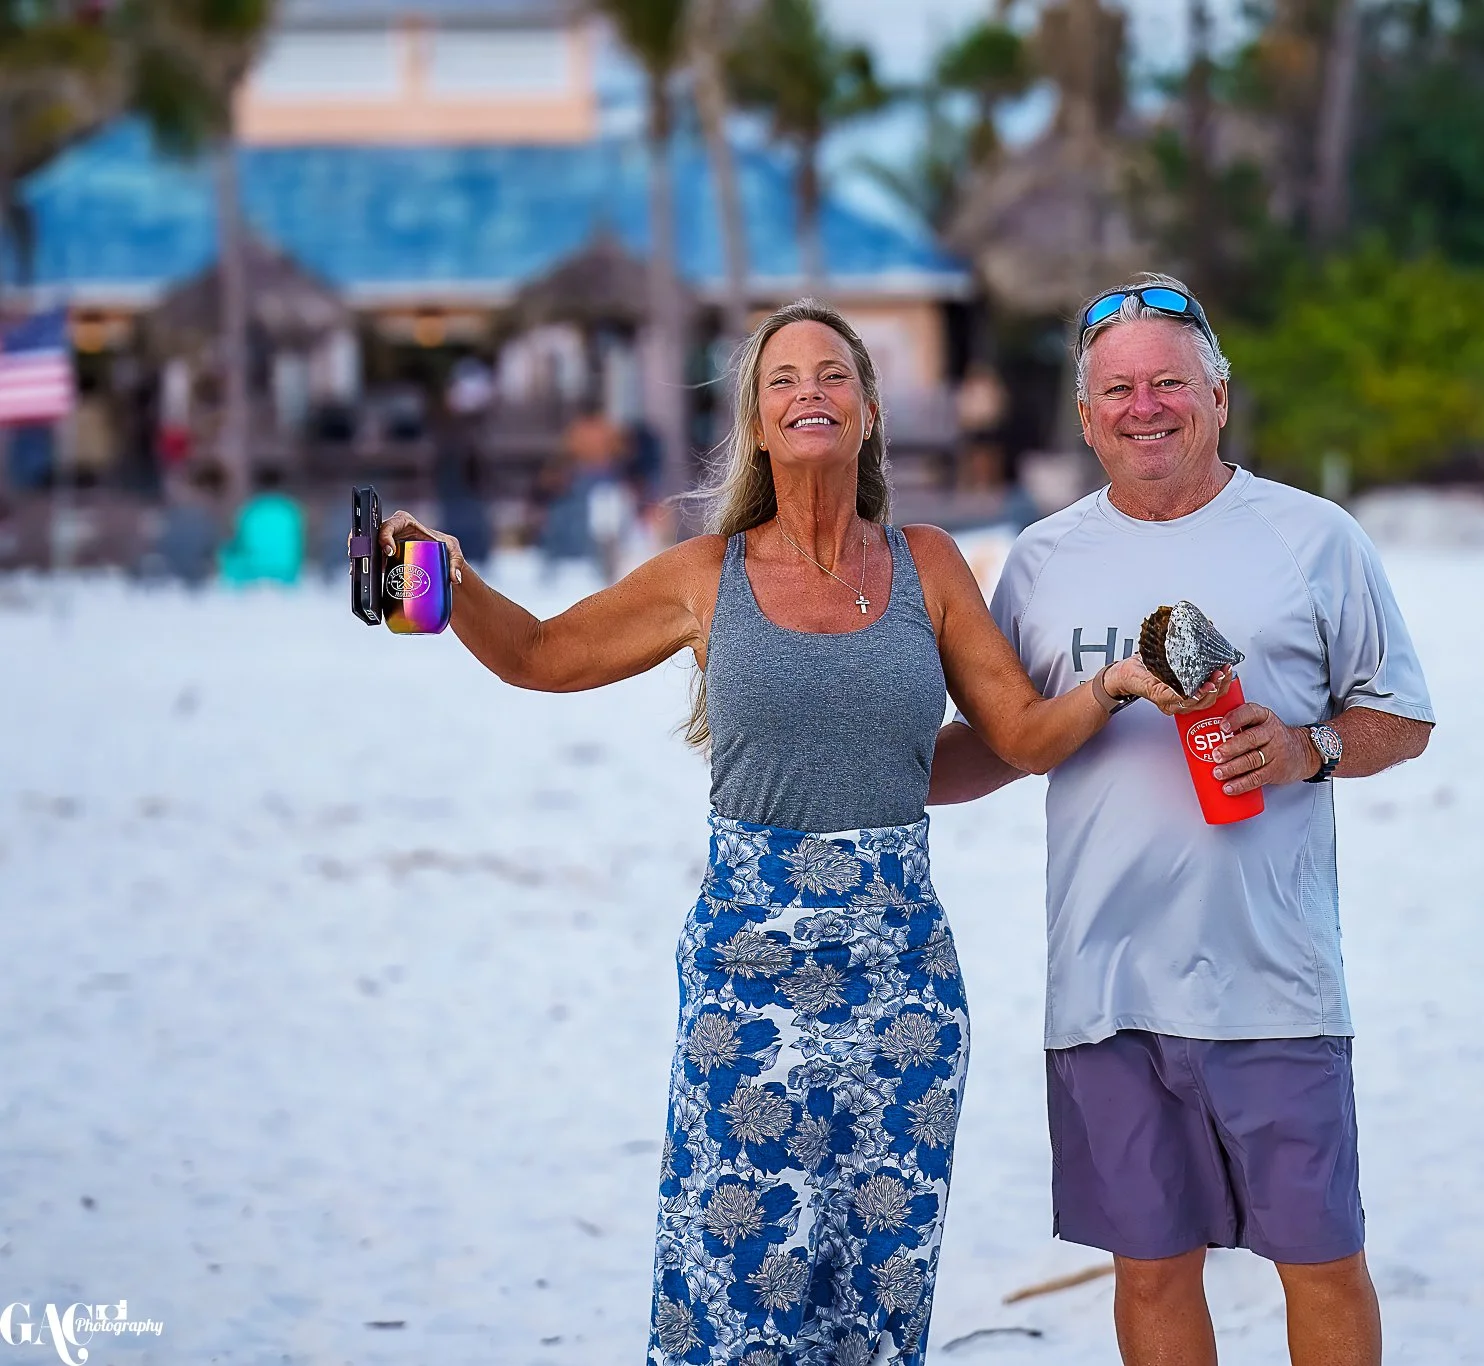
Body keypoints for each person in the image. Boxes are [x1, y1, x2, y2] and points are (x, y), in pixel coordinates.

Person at [367, 300, 1218, 1366]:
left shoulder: (929, 565)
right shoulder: (703, 575)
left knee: (875, 1296)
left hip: (899, 982)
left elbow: (1022, 736)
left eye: (830, 376)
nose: (807, 391)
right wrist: (437, 571)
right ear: (759, 427)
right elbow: (540, 654)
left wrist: (1119, 682)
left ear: (865, 414)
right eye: (781, 381)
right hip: (743, 973)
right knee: (733, 1285)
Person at [930, 275, 1436, 1366]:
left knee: (1319, 1256)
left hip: (1273, 975)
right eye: (1117, 389)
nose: (1143, 405)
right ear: (1083, 415)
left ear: (1217, 395)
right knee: (1150, 1267)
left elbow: (1402, 715)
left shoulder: (1312, 538)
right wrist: (856, 769)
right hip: (1103, 982)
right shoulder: (1042, 559)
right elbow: (1011, 743)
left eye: (1168, 381)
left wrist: (1309, 747)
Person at [218, 465, 304, 586]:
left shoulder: (250, 510)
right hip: (287, 572)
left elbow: (239, 543)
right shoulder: (291, 510)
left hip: (253, 572)